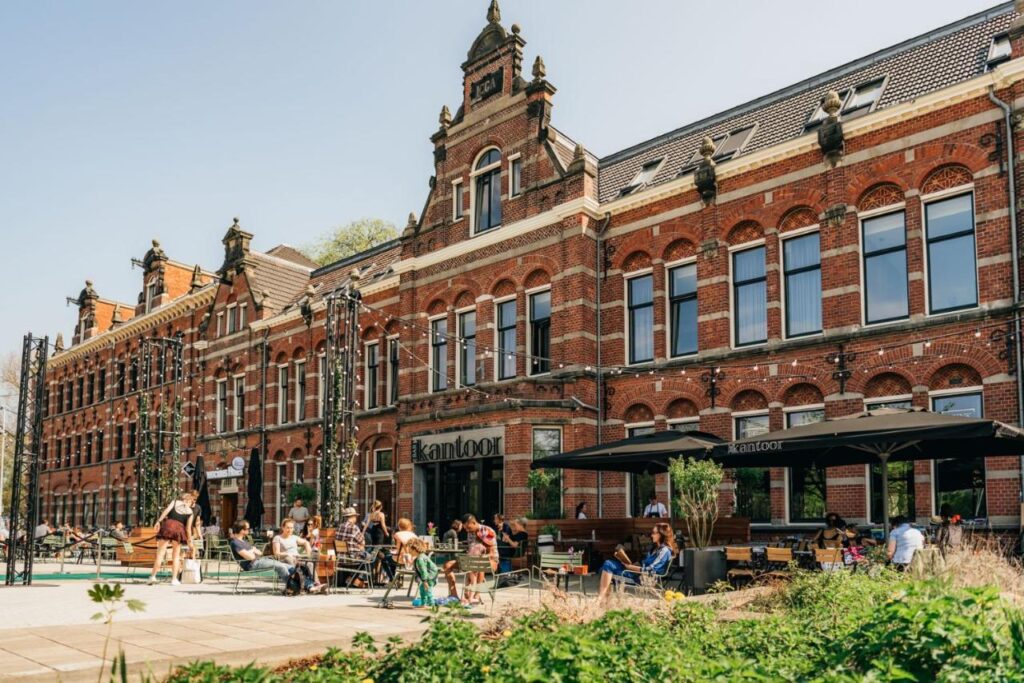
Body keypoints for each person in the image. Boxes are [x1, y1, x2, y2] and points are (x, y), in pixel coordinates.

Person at [597, 522, 676, 601]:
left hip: (642, 578)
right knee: (604, 567)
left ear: (661, 534)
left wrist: (630, 567)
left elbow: (650, 570)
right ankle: (604, 598)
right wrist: (628, 562)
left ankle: (601, 598)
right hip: (636, 572)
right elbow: (644, 563)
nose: (651, 535)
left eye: (654, 533)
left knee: (608, 565)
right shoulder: (655, 548)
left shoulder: (665, 551)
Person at [442, 514, 498, 606]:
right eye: (465, 529)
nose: (467, 530)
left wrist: (477, 558)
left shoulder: (486, 531)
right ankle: (454, 595)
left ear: (474, 522)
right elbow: (472, 549)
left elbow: (491, 554)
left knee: (478, 563)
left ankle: (476, 595)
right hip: (472, 560)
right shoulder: (470, 532)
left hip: (490, 561)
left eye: (468, 527)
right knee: (447, 565)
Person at [149, 491, 197, 585]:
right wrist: (189, 541)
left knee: (160, 554)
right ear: (190, 501)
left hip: (167, 526)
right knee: (176, 556)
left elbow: (166, 511)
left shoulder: (175, 502)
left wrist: (158, 521)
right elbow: (188, 529)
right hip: (179, 530)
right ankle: (174, 579)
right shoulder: (190, 512)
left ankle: (153, 576)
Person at [228, 520, 294, 584]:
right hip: (252, 565)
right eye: (248, 528)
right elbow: (251, 557)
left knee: (290, 567)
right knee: (280, 566)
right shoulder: (235, 543)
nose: (249, 529)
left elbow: (260, 553)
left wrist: (252, 551)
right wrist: (253, 550)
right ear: (242, 530)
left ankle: (301, 584)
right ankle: (291, 586)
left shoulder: (244, 541)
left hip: (259, 560)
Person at [336, 507, 371, 588]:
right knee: (369, 557)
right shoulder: (354, 527)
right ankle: (354, 579)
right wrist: (360, 545)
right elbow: (362, 542)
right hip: (352, 558)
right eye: (355, 516)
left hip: (340, 558)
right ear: (352, 517)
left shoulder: (339, 527)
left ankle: (351, 578)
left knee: (364, 556)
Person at [409, 537, 439, 608]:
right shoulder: (419, 558)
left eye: (410, 549)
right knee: (422, 589)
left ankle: (432, 604)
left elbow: (423, 570)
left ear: (415, 549)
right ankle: (423, 603)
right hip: (427, 577)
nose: (408, 551)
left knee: (428, 590)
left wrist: (425, 581)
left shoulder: (420, 559)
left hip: (430, 577)